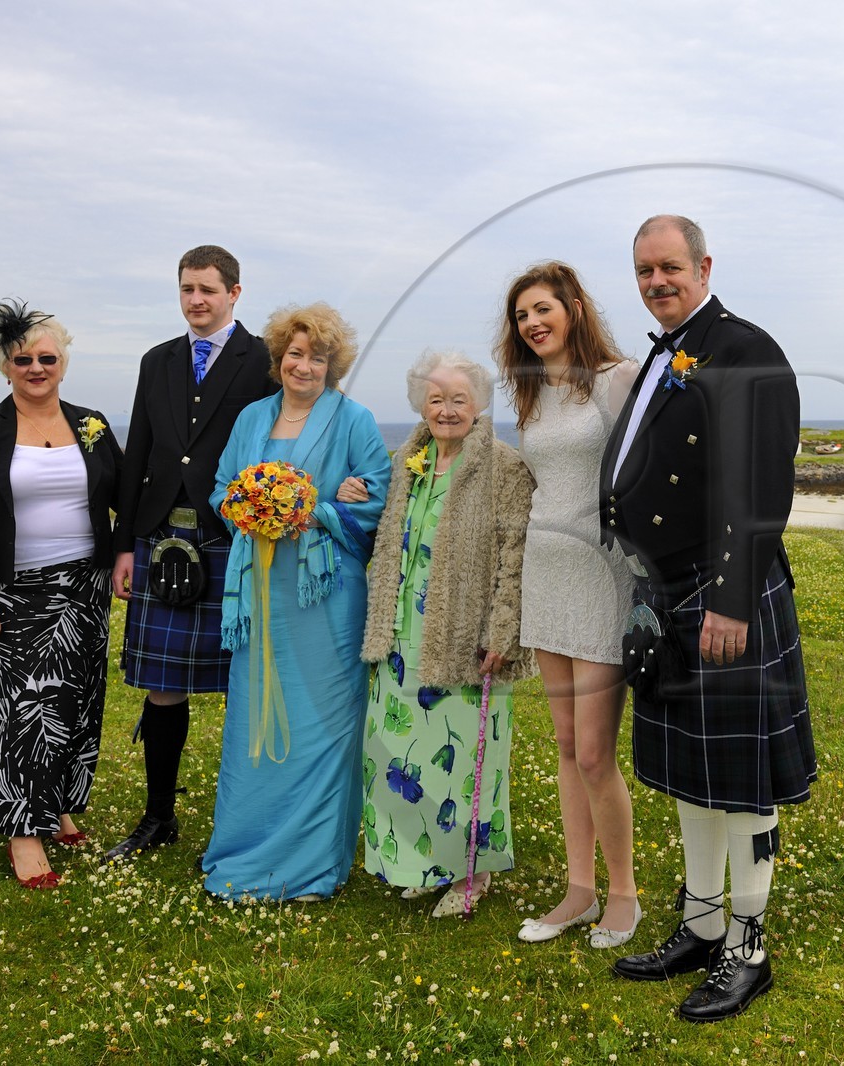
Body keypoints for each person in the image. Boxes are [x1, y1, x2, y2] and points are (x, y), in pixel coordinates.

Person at [599, 215, 817, 1021]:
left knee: (740, 782)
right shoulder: (666, 352)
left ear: (703, 265)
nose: (657, 282)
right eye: (644, 271)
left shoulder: (744, 348)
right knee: (695, 776)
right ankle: (699, 922)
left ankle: (748, 948)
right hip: (666, 589)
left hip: (723, 594)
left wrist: (730, 598)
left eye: (669, 268)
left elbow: (764, 485)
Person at [200, 303, 388, 901]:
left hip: (326, 593)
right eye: (295, 354)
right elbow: (221, 488)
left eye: (317, 357)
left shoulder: (354, 418)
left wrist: (321, 509)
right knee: (254, 715)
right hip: (259, 588)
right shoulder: (252, 417)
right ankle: (245, 849)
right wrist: (251, 508)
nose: (304, 366)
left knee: (325, 724)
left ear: (334, 366)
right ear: (280, 357)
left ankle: (312, 865)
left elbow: (378, 493)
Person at [106, 245, 279, 863]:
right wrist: (124, 544)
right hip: (159, 536)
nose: (196, 301)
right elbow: (142, 455)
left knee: (247, 685)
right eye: (187, 289)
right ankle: (158, 816)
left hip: (232, 538)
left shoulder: (264, 358)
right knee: (160, 683)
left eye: (208, 289)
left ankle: (248, 821)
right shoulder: (157, 361)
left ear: (235, 292)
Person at [0, 300, 122, 889]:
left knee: (74, 703)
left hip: (84, 589)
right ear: (6, 366)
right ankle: (24, 832)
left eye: (48, 357)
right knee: (22, 708)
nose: (37, 368)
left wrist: (126, 554)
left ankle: (58, 804)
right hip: (14, 590)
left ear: (64, 362)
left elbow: (121, 495)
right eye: (24, 359)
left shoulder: (91, 423)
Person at [495, 263, 644, 948]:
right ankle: (578, 891)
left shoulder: (619, 377)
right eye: (522, 314)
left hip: (600, 573)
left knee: (593, 752)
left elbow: (649, 470)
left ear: (575, 308)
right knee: (562, 745)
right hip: (544, 573)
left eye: (543, 309)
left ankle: (624, 895)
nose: (532, 323)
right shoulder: (529, 395)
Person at [361, 351, 535, 917]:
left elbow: (516, 556)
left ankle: (471, 874)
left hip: (466, 636)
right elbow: (387, 538)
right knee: (401, 752)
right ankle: (422, 861)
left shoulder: (504, 468)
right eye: (436, 399)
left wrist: (501, 630)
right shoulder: (406, 462)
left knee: (463, 758)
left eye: (459, 399)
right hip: (400, 632)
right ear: (421, 405)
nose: (447, 409)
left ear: (480, 404)